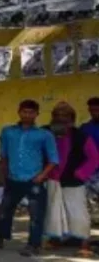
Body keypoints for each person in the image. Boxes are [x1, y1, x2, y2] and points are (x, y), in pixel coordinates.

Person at [0, 100, 59, 257]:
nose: (27, 115)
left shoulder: (44, 135)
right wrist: (5, 174)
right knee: (4, 211)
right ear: (19, 112)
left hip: (34, 180)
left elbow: (53, 159)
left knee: (36, 215)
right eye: (24, 111)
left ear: (37, 114)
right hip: (13, 178)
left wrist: (42, 176)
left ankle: (33, 244)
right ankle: (0, 237)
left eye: (31, 112)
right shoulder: (8, 132)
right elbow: (3, 155)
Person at [43, 102, 98, 254]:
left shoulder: (80, 136)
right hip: (52, 179)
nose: (61, 119)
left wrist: (80, 173)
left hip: (74, 181)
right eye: (58, 115)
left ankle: (84, 245)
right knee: (54, 211)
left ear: (72, 119)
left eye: (65, 116)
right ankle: (55, 239)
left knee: (78, 212)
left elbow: (94, 158)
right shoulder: (46, 132)